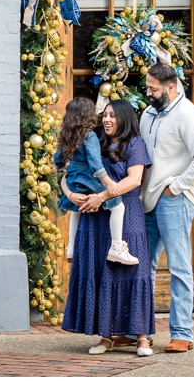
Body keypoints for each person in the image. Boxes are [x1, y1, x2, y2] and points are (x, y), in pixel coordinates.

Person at [61, 100, 155, 357]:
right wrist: (69, 193)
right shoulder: (94, 141)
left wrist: (101, 196)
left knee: (134, 271)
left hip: (126, 212)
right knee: (105, 274)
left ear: (124, 118)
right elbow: (68, 171)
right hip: (96, 217)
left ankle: (143, 338)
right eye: (105, 115)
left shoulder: (134, 144)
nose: (107, 120)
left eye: (113, 116)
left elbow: (133, 180)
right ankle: (107, 336)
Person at [138, 62, 194, 353]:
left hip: (173, 200)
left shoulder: (188, 115)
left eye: (153, 89)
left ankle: (182, 333)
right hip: (145, 200)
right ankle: (141, 331)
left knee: (179, 267)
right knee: (140, 268)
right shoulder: (148, 113)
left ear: (171, 87)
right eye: (147, 87)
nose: (148, 93)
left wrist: (178, 186)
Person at [53, 97, 137, 266]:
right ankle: (116, 247)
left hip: (73, 180)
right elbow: (95, 165)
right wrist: (109, 183)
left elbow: (58, 159)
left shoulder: (68, 136)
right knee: (118, 206)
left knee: (77, 211)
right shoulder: (89, 136)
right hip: (88, 179)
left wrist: (64, 166)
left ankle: (71, 247)